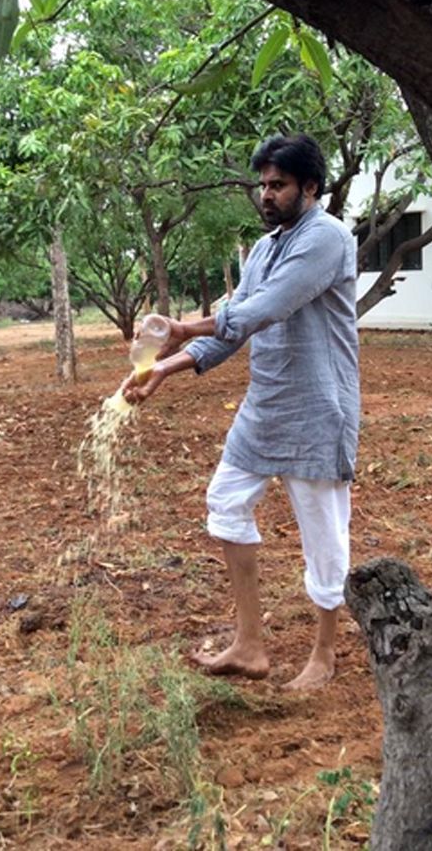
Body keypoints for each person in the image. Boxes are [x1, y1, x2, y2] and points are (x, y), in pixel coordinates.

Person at [122, 133, 359, 690]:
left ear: (311, 187)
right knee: (225, 503)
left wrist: (184, 326)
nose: (266, 195)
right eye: (263, 185)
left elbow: (265, 309)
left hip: (317, 409)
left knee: (324, 536)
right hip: (265, 406)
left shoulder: (326, 237)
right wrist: (166, 367)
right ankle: (250, 645)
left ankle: (324, 654)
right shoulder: (267, 248)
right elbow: (233, 326)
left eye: (278, 185)